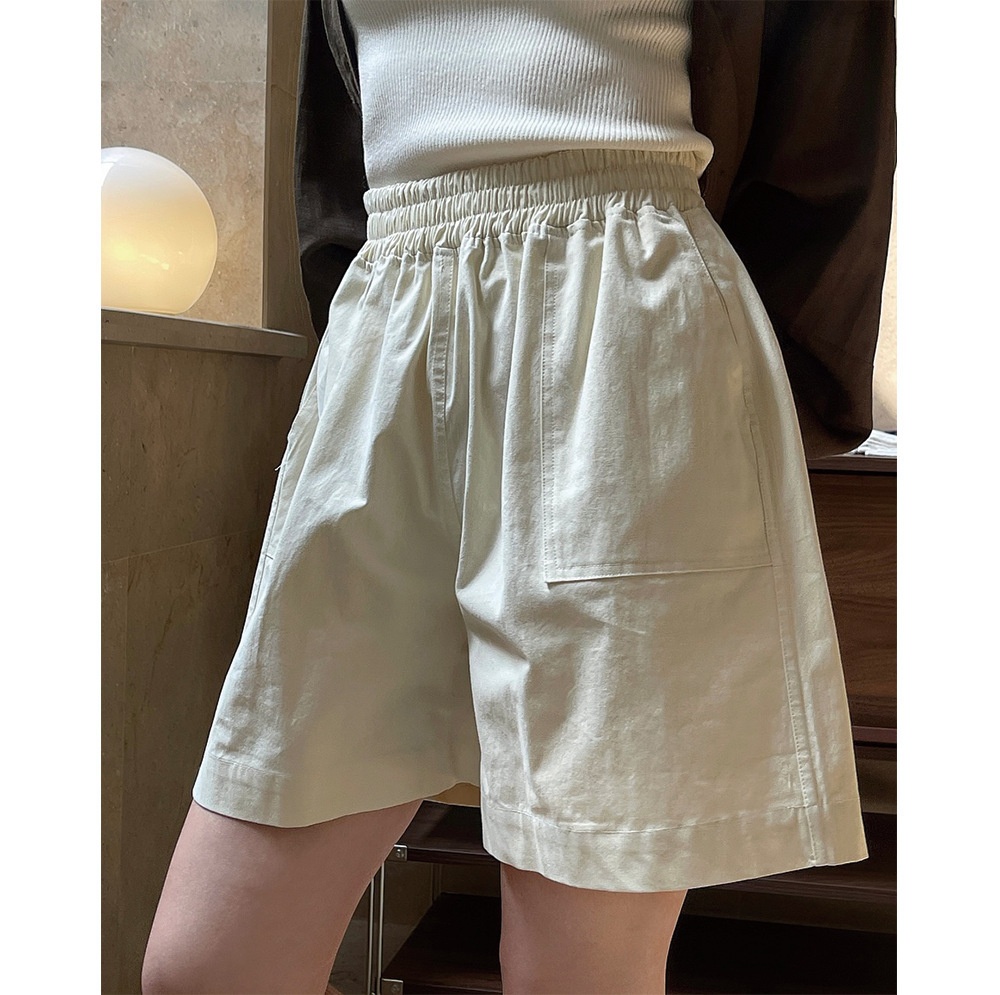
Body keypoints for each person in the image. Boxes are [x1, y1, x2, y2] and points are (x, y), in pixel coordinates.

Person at [141, 3, 896, 994]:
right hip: (386, 326)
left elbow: (827, 150)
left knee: (578, 968)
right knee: (205, 965)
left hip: (624, 317)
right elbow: (335, 154)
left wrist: (734, 407)